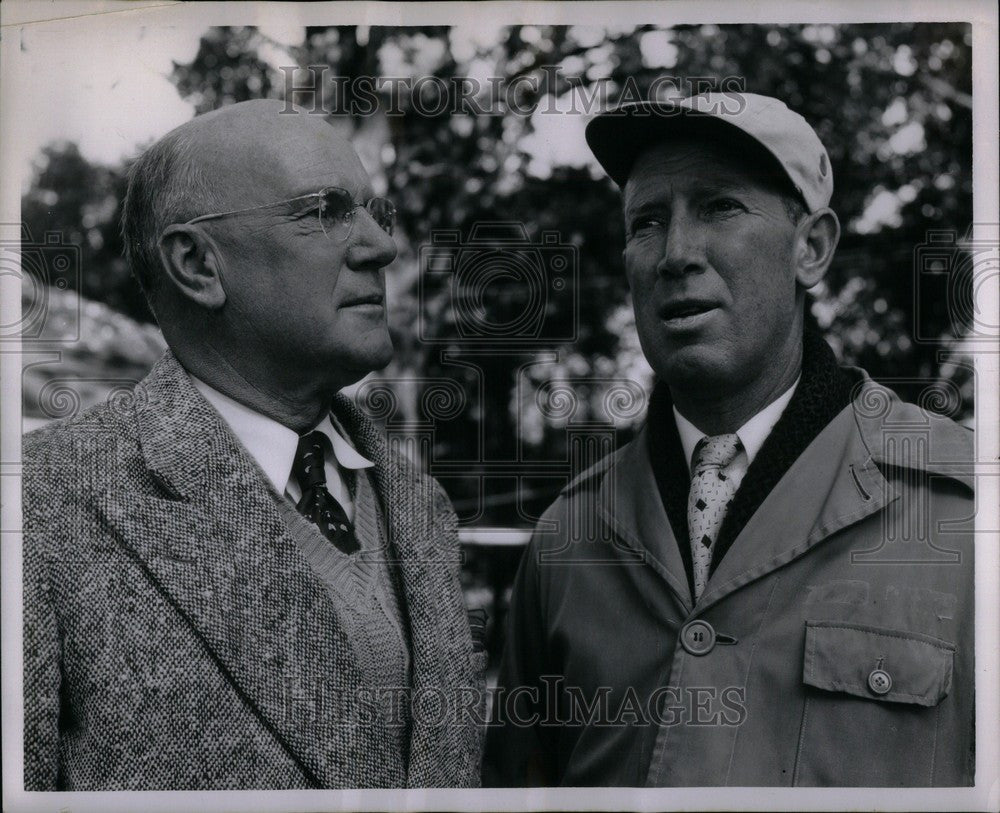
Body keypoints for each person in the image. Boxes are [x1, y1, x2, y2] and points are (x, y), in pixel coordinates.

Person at [485, 92, 975, 787]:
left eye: (720, 206)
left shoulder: (963, 509)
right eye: (648, 221)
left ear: (812, 247)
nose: (676, 253)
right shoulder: (570, 537)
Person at [22, 99, 485, 790]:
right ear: (197, 264)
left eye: (370, 211)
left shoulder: (421, 503)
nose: (381, 247)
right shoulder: (40, 505)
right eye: (324, 210)